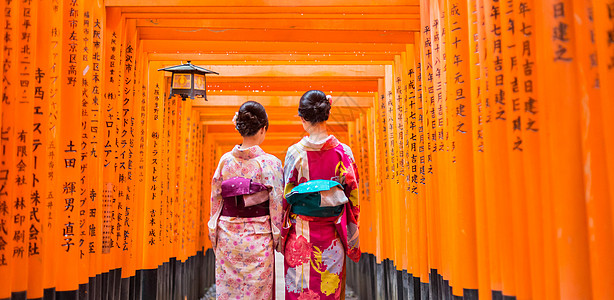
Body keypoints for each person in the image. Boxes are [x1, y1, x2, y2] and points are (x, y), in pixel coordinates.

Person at [282, 90, 360, 300]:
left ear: (303, 118)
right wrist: (350, 235)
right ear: (327, 113)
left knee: (300, 292)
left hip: (301, 236)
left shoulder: (294, 153)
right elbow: (353, 200)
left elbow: (286, 197)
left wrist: (281, 234)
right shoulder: (343, 152)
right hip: (332, 236)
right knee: (329, 292)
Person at [208, 101, 283, 300]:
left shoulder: (225, 161)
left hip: (227, 236)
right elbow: (276, 206)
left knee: (229, 292)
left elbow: (216, 200)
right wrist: (278, 239)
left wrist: (214, 232)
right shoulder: (271, 163)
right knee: (258, 292)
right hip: (258, 237)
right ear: (263, 128)